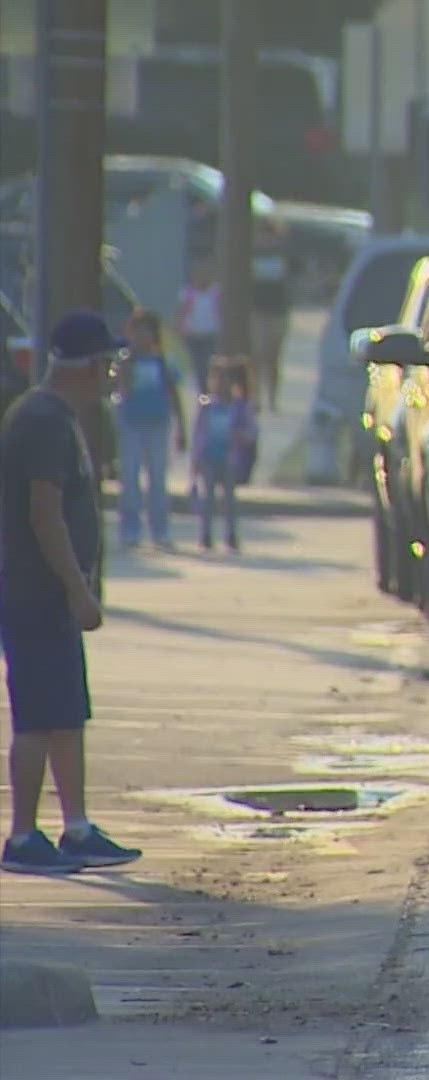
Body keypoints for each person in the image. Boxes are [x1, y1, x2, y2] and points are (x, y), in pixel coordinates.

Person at [0, 311, 143, 874]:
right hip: (34, 593)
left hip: (50, 597)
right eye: (109, 363)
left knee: (66, 714)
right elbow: (44, 514)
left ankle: (76, 827)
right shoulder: (42, 420)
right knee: (36, 718)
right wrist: (78, 589)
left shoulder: (61, 418)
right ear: (89, 366)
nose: (113, 375)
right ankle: (22, 835)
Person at [113, 309, 188, 549]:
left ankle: (160, 530)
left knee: (157, 480)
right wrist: (125, 367)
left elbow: (174, 395)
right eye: (137, 331)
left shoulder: (163, 362)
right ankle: (129, 530)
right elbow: (118, 391)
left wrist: (182, 428)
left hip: (158, 425)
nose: (142, 337)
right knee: (130, 479)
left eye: (147, 332)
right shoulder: (125, 361)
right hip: (132, 425)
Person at [192, 359, 257, 553]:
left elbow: (251, 431)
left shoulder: (240, 407)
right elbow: (199, 433)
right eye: (216, 379)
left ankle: (231, 534)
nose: (220, 385)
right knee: (208, 499)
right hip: (208, 458)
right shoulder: (206, 405)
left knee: (229, 501)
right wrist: (195, 459)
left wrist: (242, 437)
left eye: (225, 380)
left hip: (229, 459)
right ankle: (205, 534)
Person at [251, 218, 292, 413]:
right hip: (257, 312)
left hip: (278, 312)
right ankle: (256, 398)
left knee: (273, 357)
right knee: (257, 356)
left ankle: (272, 399)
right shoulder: (250, 256)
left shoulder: (283, 256)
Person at [175, 255, 221, 394]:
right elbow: (181, 313)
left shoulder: (216, 293)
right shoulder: (188, 293)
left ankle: (212, 391)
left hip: (211, 334)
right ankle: (204, 393)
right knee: (199, 366)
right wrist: (180, 330)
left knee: (210, 365)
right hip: (194, 336)